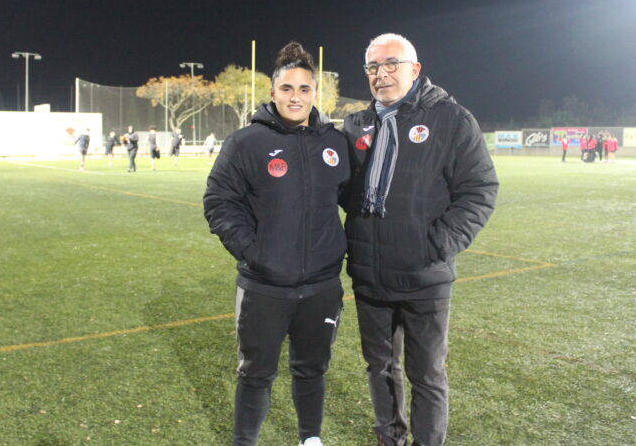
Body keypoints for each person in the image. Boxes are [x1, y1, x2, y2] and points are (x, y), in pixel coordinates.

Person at [342, 33, 498, 446]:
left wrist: (438, 245)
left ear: (415, 68)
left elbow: (480, 190)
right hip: (369, 273)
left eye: (391, 63)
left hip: (423, 274)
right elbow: (339, 188)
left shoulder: (450, 118)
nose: (382, 74)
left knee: (426, 373)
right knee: (379, 366)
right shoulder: (356, 124)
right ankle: (389, 436)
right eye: (373, 67)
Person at [204, 42, 350, 446]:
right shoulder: (245, 142)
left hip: (322, 286)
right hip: (265, 286)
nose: (296, 97)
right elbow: (219, 202)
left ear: (315, 94)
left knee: (312, 368)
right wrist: (255, 254)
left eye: (304, 89)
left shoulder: (334, 144)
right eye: (287, 89)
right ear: (272, 92)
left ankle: (310, 439)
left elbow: (352, 204)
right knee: (256, 372)